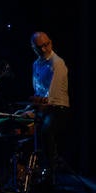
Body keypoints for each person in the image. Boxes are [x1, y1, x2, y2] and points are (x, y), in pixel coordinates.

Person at [28, 31, 70, 168]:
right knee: (18, 121)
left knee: (45, 129)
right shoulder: (36, 64)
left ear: (50, 42)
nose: (44, 49)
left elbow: (51, 96)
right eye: (39, 47)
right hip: (43, 108)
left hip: (58, 108)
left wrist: (38, 105)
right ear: (34, 48)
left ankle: (49, 168)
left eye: (46, 45)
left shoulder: (57, 63)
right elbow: (38, 91)